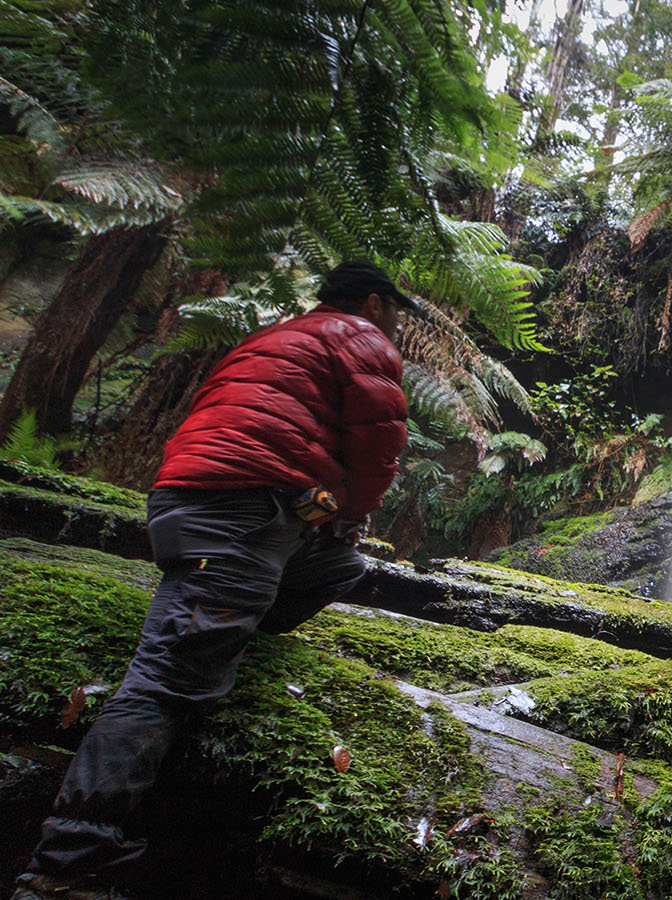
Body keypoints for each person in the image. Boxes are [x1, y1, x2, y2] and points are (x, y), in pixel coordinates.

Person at [12, 262, 418, 900]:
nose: (398, 323)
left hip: (189, 500)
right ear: (374, 301)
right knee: (166, 682)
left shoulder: (278, 335)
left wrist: (329, 522)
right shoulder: (363, 338)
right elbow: (376, 450)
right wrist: (354, 510)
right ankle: (70, 864)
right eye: (397, 310)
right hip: (242, 516)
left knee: (339, 566)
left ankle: (232, 626)